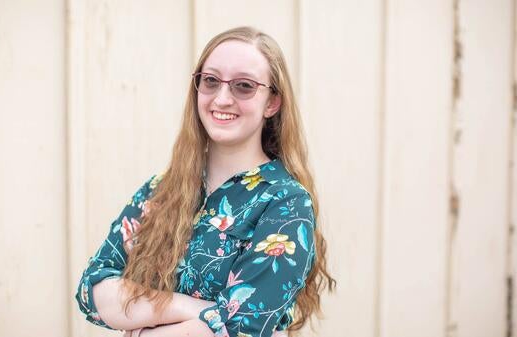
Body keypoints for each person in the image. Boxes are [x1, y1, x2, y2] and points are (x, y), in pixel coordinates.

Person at [75, 26, 335, 337]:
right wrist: (191, 309)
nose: (222, 98)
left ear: (272, 103)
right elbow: (93, 290)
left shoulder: (285, 203)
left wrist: (142, 330)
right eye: (210, 81)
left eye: (244, 86)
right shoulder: (160, 190)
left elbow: (241, 325)